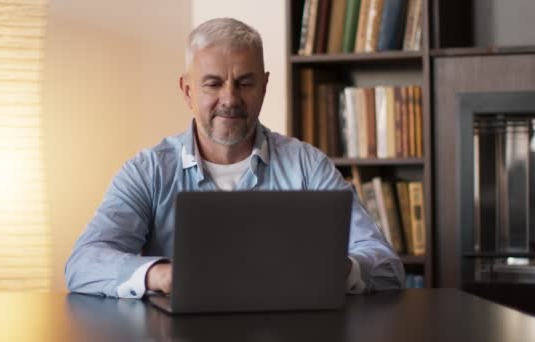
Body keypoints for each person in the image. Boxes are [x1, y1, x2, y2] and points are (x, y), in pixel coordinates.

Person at [65, 18, 404, 298]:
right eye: (212, 84)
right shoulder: (147, 171)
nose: (230, 99)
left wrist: (338, 267)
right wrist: (163, 275)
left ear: (265, 86)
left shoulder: (307, 165)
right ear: (187, 90)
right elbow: (83, 263)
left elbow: (387, 266)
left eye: (245, 82)